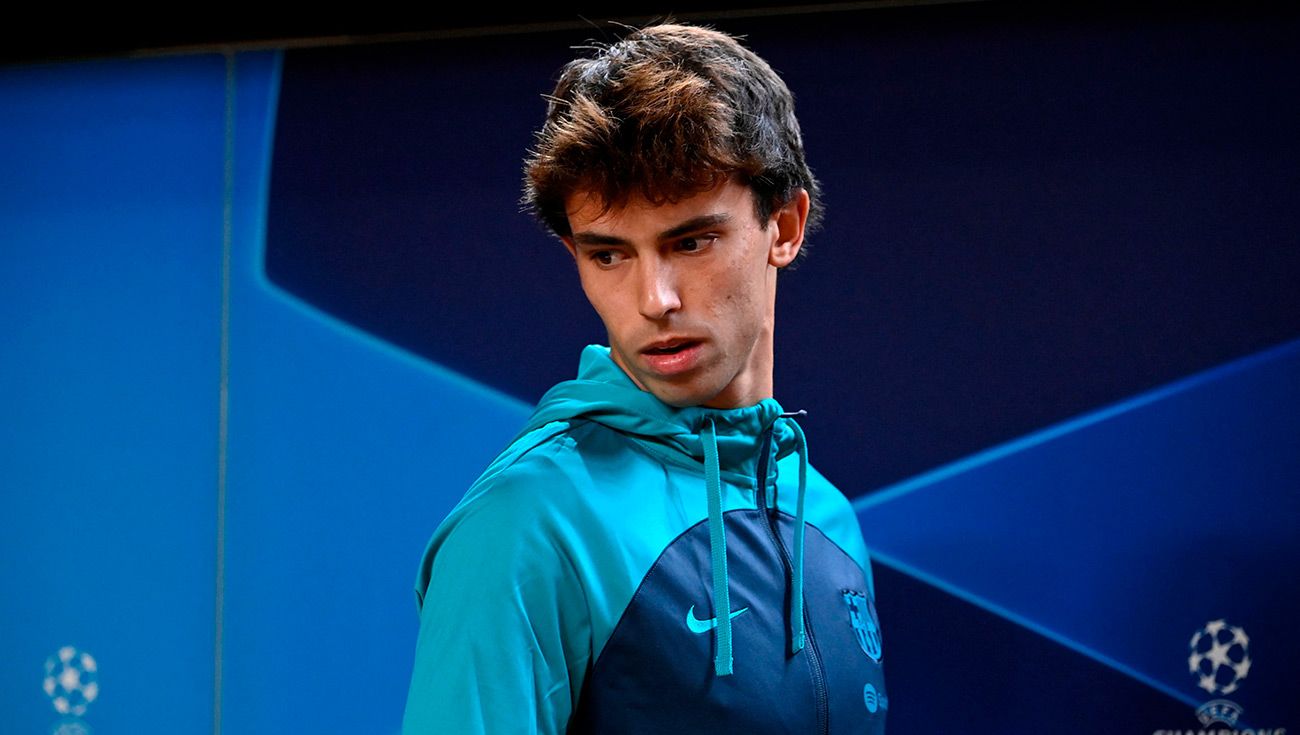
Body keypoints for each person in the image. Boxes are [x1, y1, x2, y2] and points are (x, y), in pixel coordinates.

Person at [402, 21, 886, 734]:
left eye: (689, 241)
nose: (654, 299)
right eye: (608, 254)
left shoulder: (826, 515)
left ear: (783, 227)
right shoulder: (530, 523)